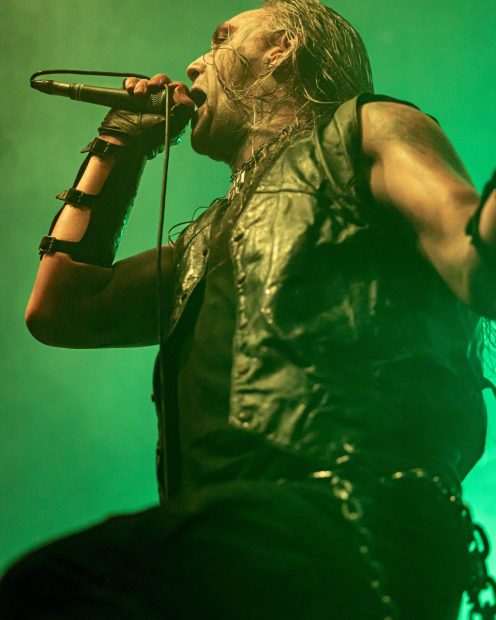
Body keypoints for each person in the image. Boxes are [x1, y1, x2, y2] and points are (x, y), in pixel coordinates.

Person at [1, 1, 496, 618]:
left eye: (222, 38)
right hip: (233, 533)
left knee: (54, 589)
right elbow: (60, 310)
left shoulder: (366, 130)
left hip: (352, 517)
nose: (194, 64)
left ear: (283, 48)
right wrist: (118, 143)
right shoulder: (200, 244)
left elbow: (472, 253)